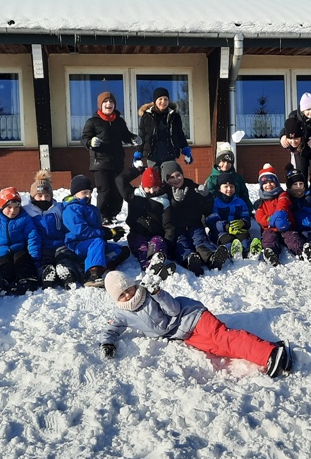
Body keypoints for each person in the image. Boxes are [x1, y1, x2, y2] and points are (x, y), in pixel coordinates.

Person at [101, 271, 293, 377]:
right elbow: (112, 328)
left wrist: (158, 294)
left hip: (192, 316)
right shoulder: (122, 313)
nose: (128, 295)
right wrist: (107, 342)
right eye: (122, 294)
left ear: (133, 285)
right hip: (185, 334)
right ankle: (270, 349)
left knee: (223, 338)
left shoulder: (149, 294)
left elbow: (174, 310)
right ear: (116, 298)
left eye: (129, 289)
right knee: (220, 349)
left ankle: (270, 354)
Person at [81, 91, 141, 224]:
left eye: (111, 102)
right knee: (105, 189)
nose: (109, 104)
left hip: (117, 162)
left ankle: (114, 213)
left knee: (117, 188)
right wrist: (90, 142)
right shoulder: (92, 121)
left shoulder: (119, 121)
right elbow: (84, 138)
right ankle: (102, 214)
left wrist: (133, 138)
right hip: (100, 162)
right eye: (105, 102)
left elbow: (125, 135)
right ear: (100, 105)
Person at [160, 160, 229, 276]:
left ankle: (212, 258)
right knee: (182, 244)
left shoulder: (192, 187)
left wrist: (206, 197)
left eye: (178, 175)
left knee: (201, 241)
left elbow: (205, 210)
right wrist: (175, 202)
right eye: (171, 177)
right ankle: (190, 260)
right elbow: (166, 215)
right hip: (177, 228)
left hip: (195, 224)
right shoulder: (164, 193)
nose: (176, 179)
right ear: (166, 179)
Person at [62, 175, 130, 288]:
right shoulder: (71, 209)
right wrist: (105, 234)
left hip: (94, 244)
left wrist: (111, 231)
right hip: (77, 245)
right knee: (97, 242)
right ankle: (91, 275)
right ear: (75, 194)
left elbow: (96, 228)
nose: (88, 195)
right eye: (84, 192)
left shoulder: (91, 208)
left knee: (122, 251)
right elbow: (81, 231)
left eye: (89, 192)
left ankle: (98, 265)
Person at [23, 170, 83, 289]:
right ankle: (47, 275)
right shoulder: (26, 211)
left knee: (64, 257)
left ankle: (67, 273)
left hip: (59, 244)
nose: (43, 199)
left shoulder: (58, 208)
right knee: (45, 262)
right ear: (33, 197)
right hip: (41, 247)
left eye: (47, 196)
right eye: (39, 196)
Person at [116, 165, 177, 278]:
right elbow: (120, 180)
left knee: (158, 243)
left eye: (155, 187)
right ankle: (149, 266)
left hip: (156, 234)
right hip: (136, 234)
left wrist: (170, 245)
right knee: (142, 247)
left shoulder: (163, 201)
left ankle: (157, 261)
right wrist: (136, 170)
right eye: (148, 187)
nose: (152, 191)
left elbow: (168, 225)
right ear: (143, 186)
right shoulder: (134, 195)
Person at [0, 187, 42, 296]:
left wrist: (35, 259)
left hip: (20, 250)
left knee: (23, 261)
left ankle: (26, 280)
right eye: (9, 207)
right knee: (2, 264)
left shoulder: (24, 219)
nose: (13, 211)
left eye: (16, 207)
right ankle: (1, 283)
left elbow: (32, 238)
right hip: (1, 253)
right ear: (1, 207)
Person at [253, 164, 305, 267]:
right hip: (270, 228)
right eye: (265, 183)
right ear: (261, 185)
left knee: (293, 238)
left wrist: (280, 214)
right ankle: (271, 254)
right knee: (269, 239)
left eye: (271, 182)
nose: (268, 185)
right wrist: (271, 220)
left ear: (276, 183)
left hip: (286, 225)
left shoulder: (282, 195)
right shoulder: (260, 202)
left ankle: (303, 251)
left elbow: (283, 203)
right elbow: (259, 217)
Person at [206, 172, 261, 260]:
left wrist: (242, 222)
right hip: (220, 231)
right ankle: (233, 253)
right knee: (227, 240)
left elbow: (246, 215)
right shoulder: (215, 202)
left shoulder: (240, 202)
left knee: (244, 237)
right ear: (219, 189)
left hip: (237, 229)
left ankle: (249, 251)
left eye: (232, 186)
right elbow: (212, 220)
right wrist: (226, 226)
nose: (229, 189)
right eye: (226, 186)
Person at [137, 87, 191, 169]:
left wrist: (185, 149)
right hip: (152, 156)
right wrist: (138, 153)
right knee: (154, 180)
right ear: (155, 101)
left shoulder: (174, 116)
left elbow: (180, 134)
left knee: (170, 179)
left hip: (169, 155)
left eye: (166, 99)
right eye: (160, 99)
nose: (163, 102)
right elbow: (142, 136)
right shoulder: (146, 116)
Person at [205, 142, 252, 213]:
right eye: (223, 161)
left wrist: (248, 210)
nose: (226, 164)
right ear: (218, 162)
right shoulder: (212, 179)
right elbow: (209, 197)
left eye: (229, 162)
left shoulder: (238, 178)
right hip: (219, 211)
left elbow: (244, 194)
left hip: (236, 210)